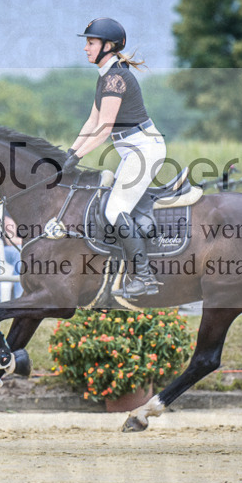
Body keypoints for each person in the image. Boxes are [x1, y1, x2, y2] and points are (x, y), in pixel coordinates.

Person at [63, 18, 165, 297]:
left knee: (112, 210)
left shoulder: (116, 78)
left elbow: (104, 127)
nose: (85, 48)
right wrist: (70, 153)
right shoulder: (106, 76)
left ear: (108, 46)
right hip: (133, 149)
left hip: (143, 149)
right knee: (108, 203)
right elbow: (91, 121)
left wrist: (78, 154)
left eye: (91, 43)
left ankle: (144, 277)